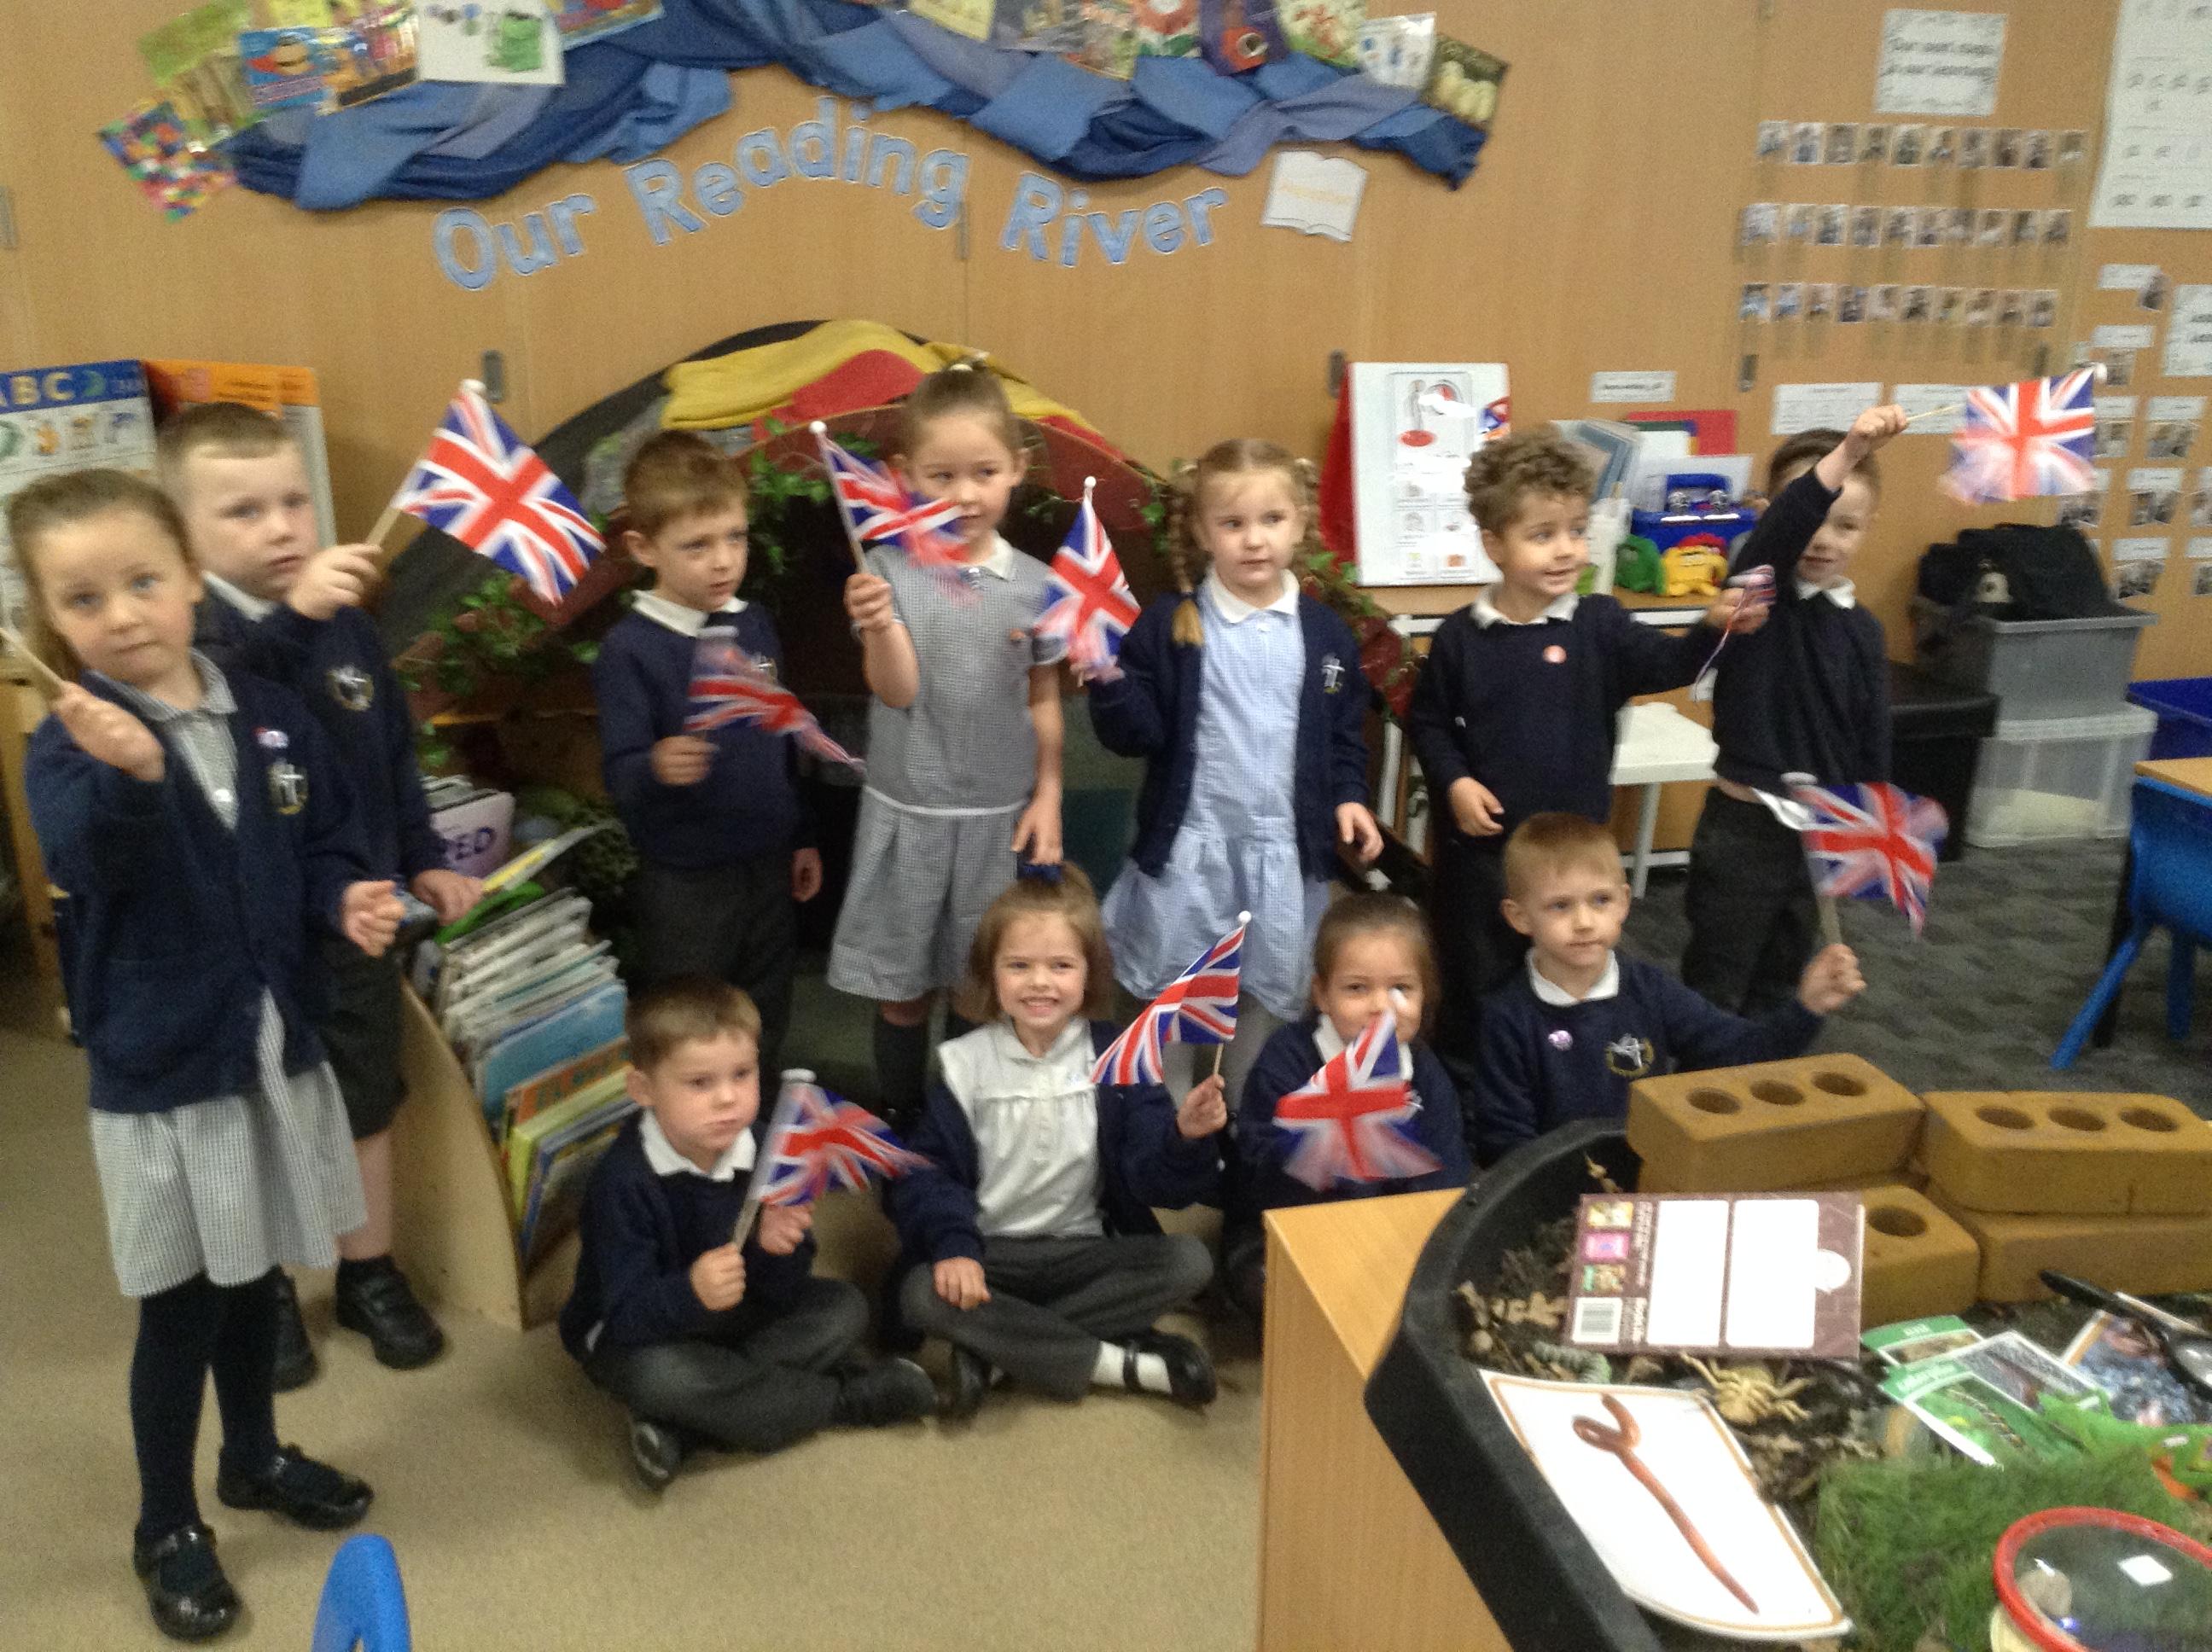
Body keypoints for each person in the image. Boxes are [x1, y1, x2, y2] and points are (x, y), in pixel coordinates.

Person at [15, 469, 405, 1642]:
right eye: (84, 599)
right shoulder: (68, 743)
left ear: (191, 578)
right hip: (168, 1074)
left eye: (143, 581)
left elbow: (322, 835)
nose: (123, 615)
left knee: (255, 1273)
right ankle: (165, 1522)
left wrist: (344, 899)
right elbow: (89, 865)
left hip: (271, 1048)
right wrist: (134, 778)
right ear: (49, 621)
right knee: (181, 1306)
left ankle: (253, 1455)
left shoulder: (268, 711)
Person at [160, 400, 475, 1387]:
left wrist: (422, 853)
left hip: (357, 918)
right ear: (183, 537)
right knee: (256, 1113)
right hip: (246, 935)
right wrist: (295, 618)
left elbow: (392, 757)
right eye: (244, 511)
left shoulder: (346, 628)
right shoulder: (187, 636)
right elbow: (233, 699)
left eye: (294, 501)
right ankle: (264, 1289)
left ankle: (367, 1270)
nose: (283, 527)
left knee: (364, 1097)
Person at [1405, 430, 1762, 1089]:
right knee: (1477, 984)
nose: (1567, 548)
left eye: (1576, 529)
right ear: (1495, 545)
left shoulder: (1600, 624)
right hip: (1482, 861)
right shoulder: (1460, 638)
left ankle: (1559, 1089)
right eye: (1542, 535)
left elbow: (1671, 664)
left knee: (1567, 981)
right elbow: (1428, 721)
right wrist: (1454, 781)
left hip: (1571, 861)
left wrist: (1714, 628)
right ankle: (1474, 1103)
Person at [559, 978, 938, 1493]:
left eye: (742, 1074)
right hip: (643, 1333)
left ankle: (689, 1427)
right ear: (643, 1090)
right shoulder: (622, 1183)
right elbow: (625, 1319)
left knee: (844, 1308)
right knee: (658, 1377)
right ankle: (844, 1401)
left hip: (735, 1319)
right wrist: (691, 1291)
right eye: (699, 1083)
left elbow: (779, 1294)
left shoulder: (768, 1146)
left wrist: (774, 1248)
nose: (728, 1099)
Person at [1090, 438, 1381, 1103]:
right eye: (1233, 523)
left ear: (1299, 524)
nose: (1254, 540)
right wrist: (1109, 683)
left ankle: (1243, 1108)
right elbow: (1134, 736)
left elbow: (1343, 734)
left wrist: (1349, 796)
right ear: (1202, 532)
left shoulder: (1325, 634)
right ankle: (1165, 1117)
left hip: (1282, 853)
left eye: (1272, 520)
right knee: (1178, 988)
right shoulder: (1173, 625)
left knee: (1263, 992)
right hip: (1194, 849)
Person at [885, 866, 1225, 1419]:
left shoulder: (1120, 1059)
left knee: (1189, 1261)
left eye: (1060, 966)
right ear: (991, 974)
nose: (1039, 982)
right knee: (920, 1291)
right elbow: (924, 1174)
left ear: (1089, 974)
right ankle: (1120, 1364)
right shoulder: (965, 1063)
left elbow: (1155, 1182)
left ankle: (997, 1351)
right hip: (989, 1254)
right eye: (1019, 966)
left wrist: (1183, 1138)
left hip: (1084, 1250)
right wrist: (954, 1245)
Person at [829, 364, 1068, 1127]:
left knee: (977, 988)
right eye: (942, 476)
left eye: (984, 473)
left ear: (1018, 469)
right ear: (904, 476)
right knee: (903, 993)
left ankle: (957, 1123)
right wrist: (879, 624)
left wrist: (1050, 794)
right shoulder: (885, 572)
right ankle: (902, 1114)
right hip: (910, 817)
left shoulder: (1037, 585)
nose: (965, 494)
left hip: (998, 823)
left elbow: (1044, 696)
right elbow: (897, 690)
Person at [592, 431, 820, 1075]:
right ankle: (689, 1122)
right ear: (644, 549)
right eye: (696, 546)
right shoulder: (629, 650)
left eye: (735, 538)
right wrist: (655, 764)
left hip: (767, 862)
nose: (723, 561)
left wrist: (802, 834)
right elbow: (619, 772)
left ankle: (755, 1112)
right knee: (689, 1020)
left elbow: (782, 737)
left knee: (767, 1008)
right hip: (686, 878)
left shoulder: (754, 623)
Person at [1682, 404, 1906, 1017]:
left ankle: (1767, 1068)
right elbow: (1774, 543)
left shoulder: (1862, 628)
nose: (1824, 539)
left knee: (1783, 974)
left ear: (1868, 527)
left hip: (1817, 827)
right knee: (1716, 979)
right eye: (1813, 518)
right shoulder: (1756, 600)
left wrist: (1870, 819)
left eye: (1846, 525)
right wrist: (1851, 450)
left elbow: (1872, 734)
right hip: (1744, 828)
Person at [1472, 815, 1863, 1165]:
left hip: (1652, 1170)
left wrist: (1807, 1007)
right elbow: (1505, 1143)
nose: (1585, 922)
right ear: (1519, 917)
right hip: (1555, 1192)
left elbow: (1740, 1051)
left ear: (1624, 903)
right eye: (1560, 906)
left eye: (1600, 900)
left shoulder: (1650, 990)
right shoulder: (1507, 1016)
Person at [1224, 893, 1470, 1320]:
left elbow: (1446, 1169)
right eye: (1357, 988)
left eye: (1401, 988)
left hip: (1390, 1233)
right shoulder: (1288, 1057)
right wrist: (1318, 1147)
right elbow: (1255, 1172)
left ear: (1424, 994)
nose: (1381, 1007)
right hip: (1290, 1228)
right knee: (1264, 1284)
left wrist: (1405, 1232)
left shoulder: (1424, 1069)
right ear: (1322, 993)